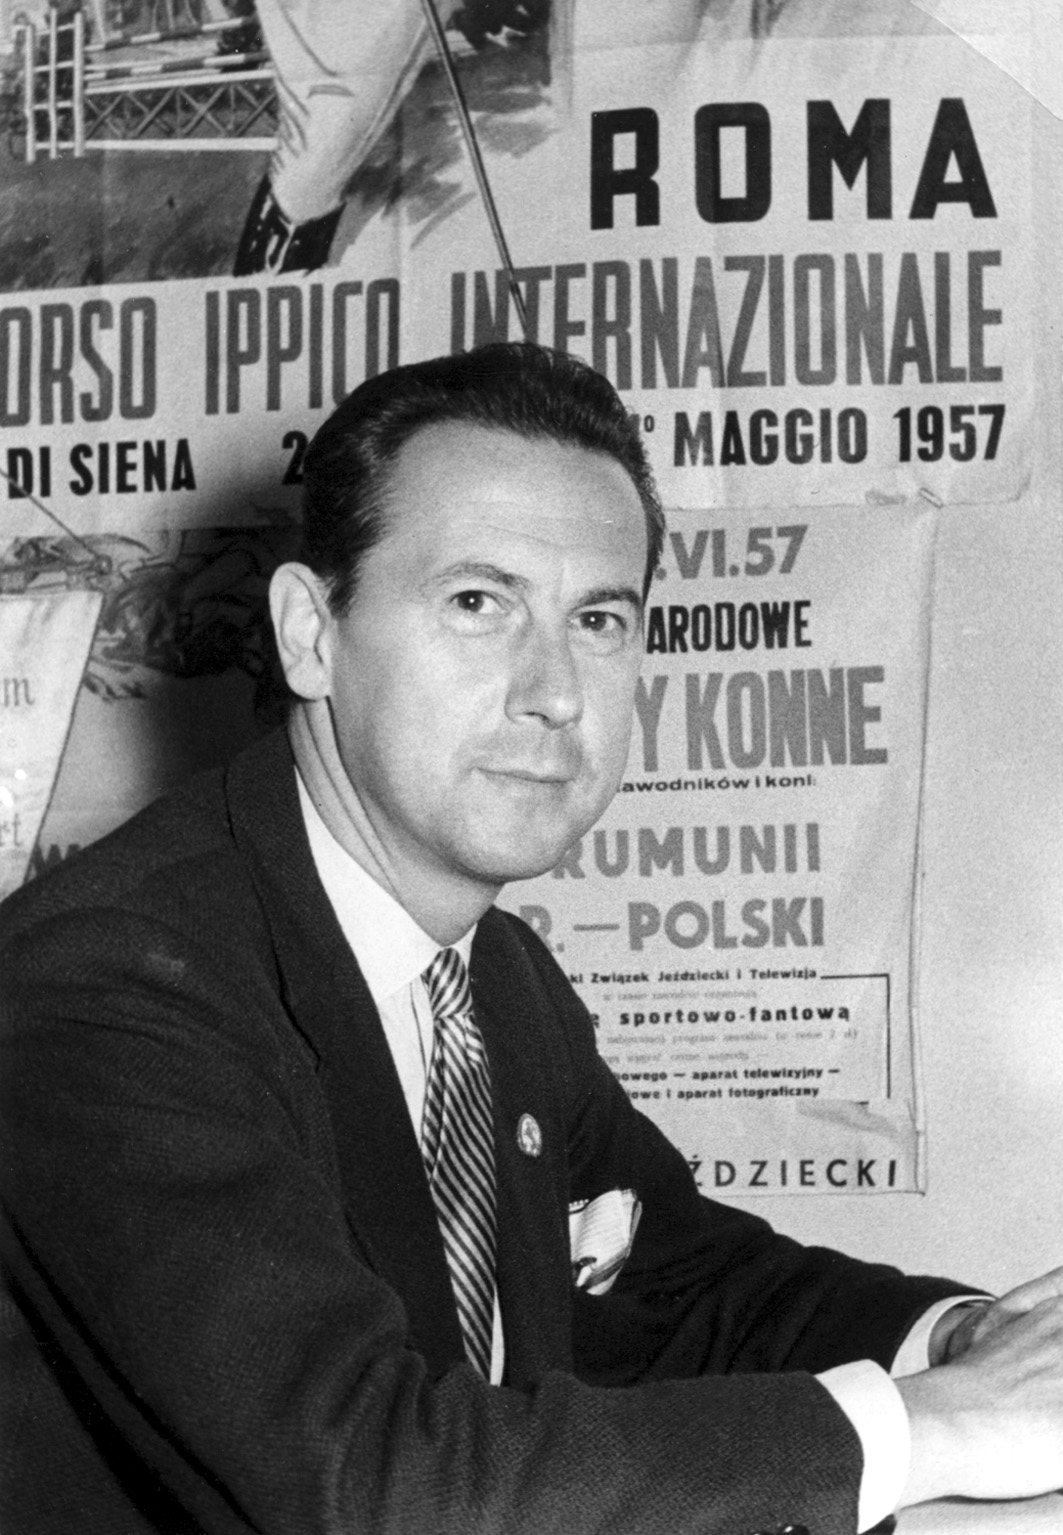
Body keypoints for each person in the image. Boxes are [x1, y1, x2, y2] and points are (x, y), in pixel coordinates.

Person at [1, 342, 1061, 1535]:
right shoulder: (106, 985)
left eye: (598, 618)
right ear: (309, 633)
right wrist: (941, 1422)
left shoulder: (493, 975)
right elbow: (372, 1482)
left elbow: (677, 1284)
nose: (553, 690)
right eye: (478, 603)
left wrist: (972, 1340)